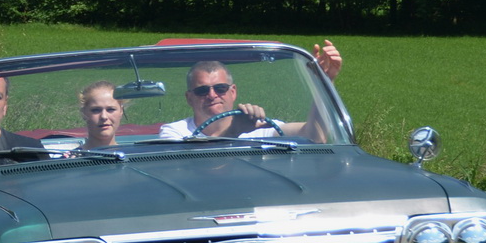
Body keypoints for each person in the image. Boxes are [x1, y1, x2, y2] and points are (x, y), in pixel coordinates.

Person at [157, 40, 343, 142]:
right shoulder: (174, 132)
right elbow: (188, 164)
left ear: (233, 92)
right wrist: (234, 131)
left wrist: (324, 83)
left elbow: (314, 136)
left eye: (220, 88)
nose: (212, 95)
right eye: (202, 90)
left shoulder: (256, 127)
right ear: (189, 98)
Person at [78, 81, 126, 149]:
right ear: (84, 113)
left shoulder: (132, 156)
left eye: (110, 109)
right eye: (96, 110)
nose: (104, 116)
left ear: (121, 111)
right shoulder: (71, 158)